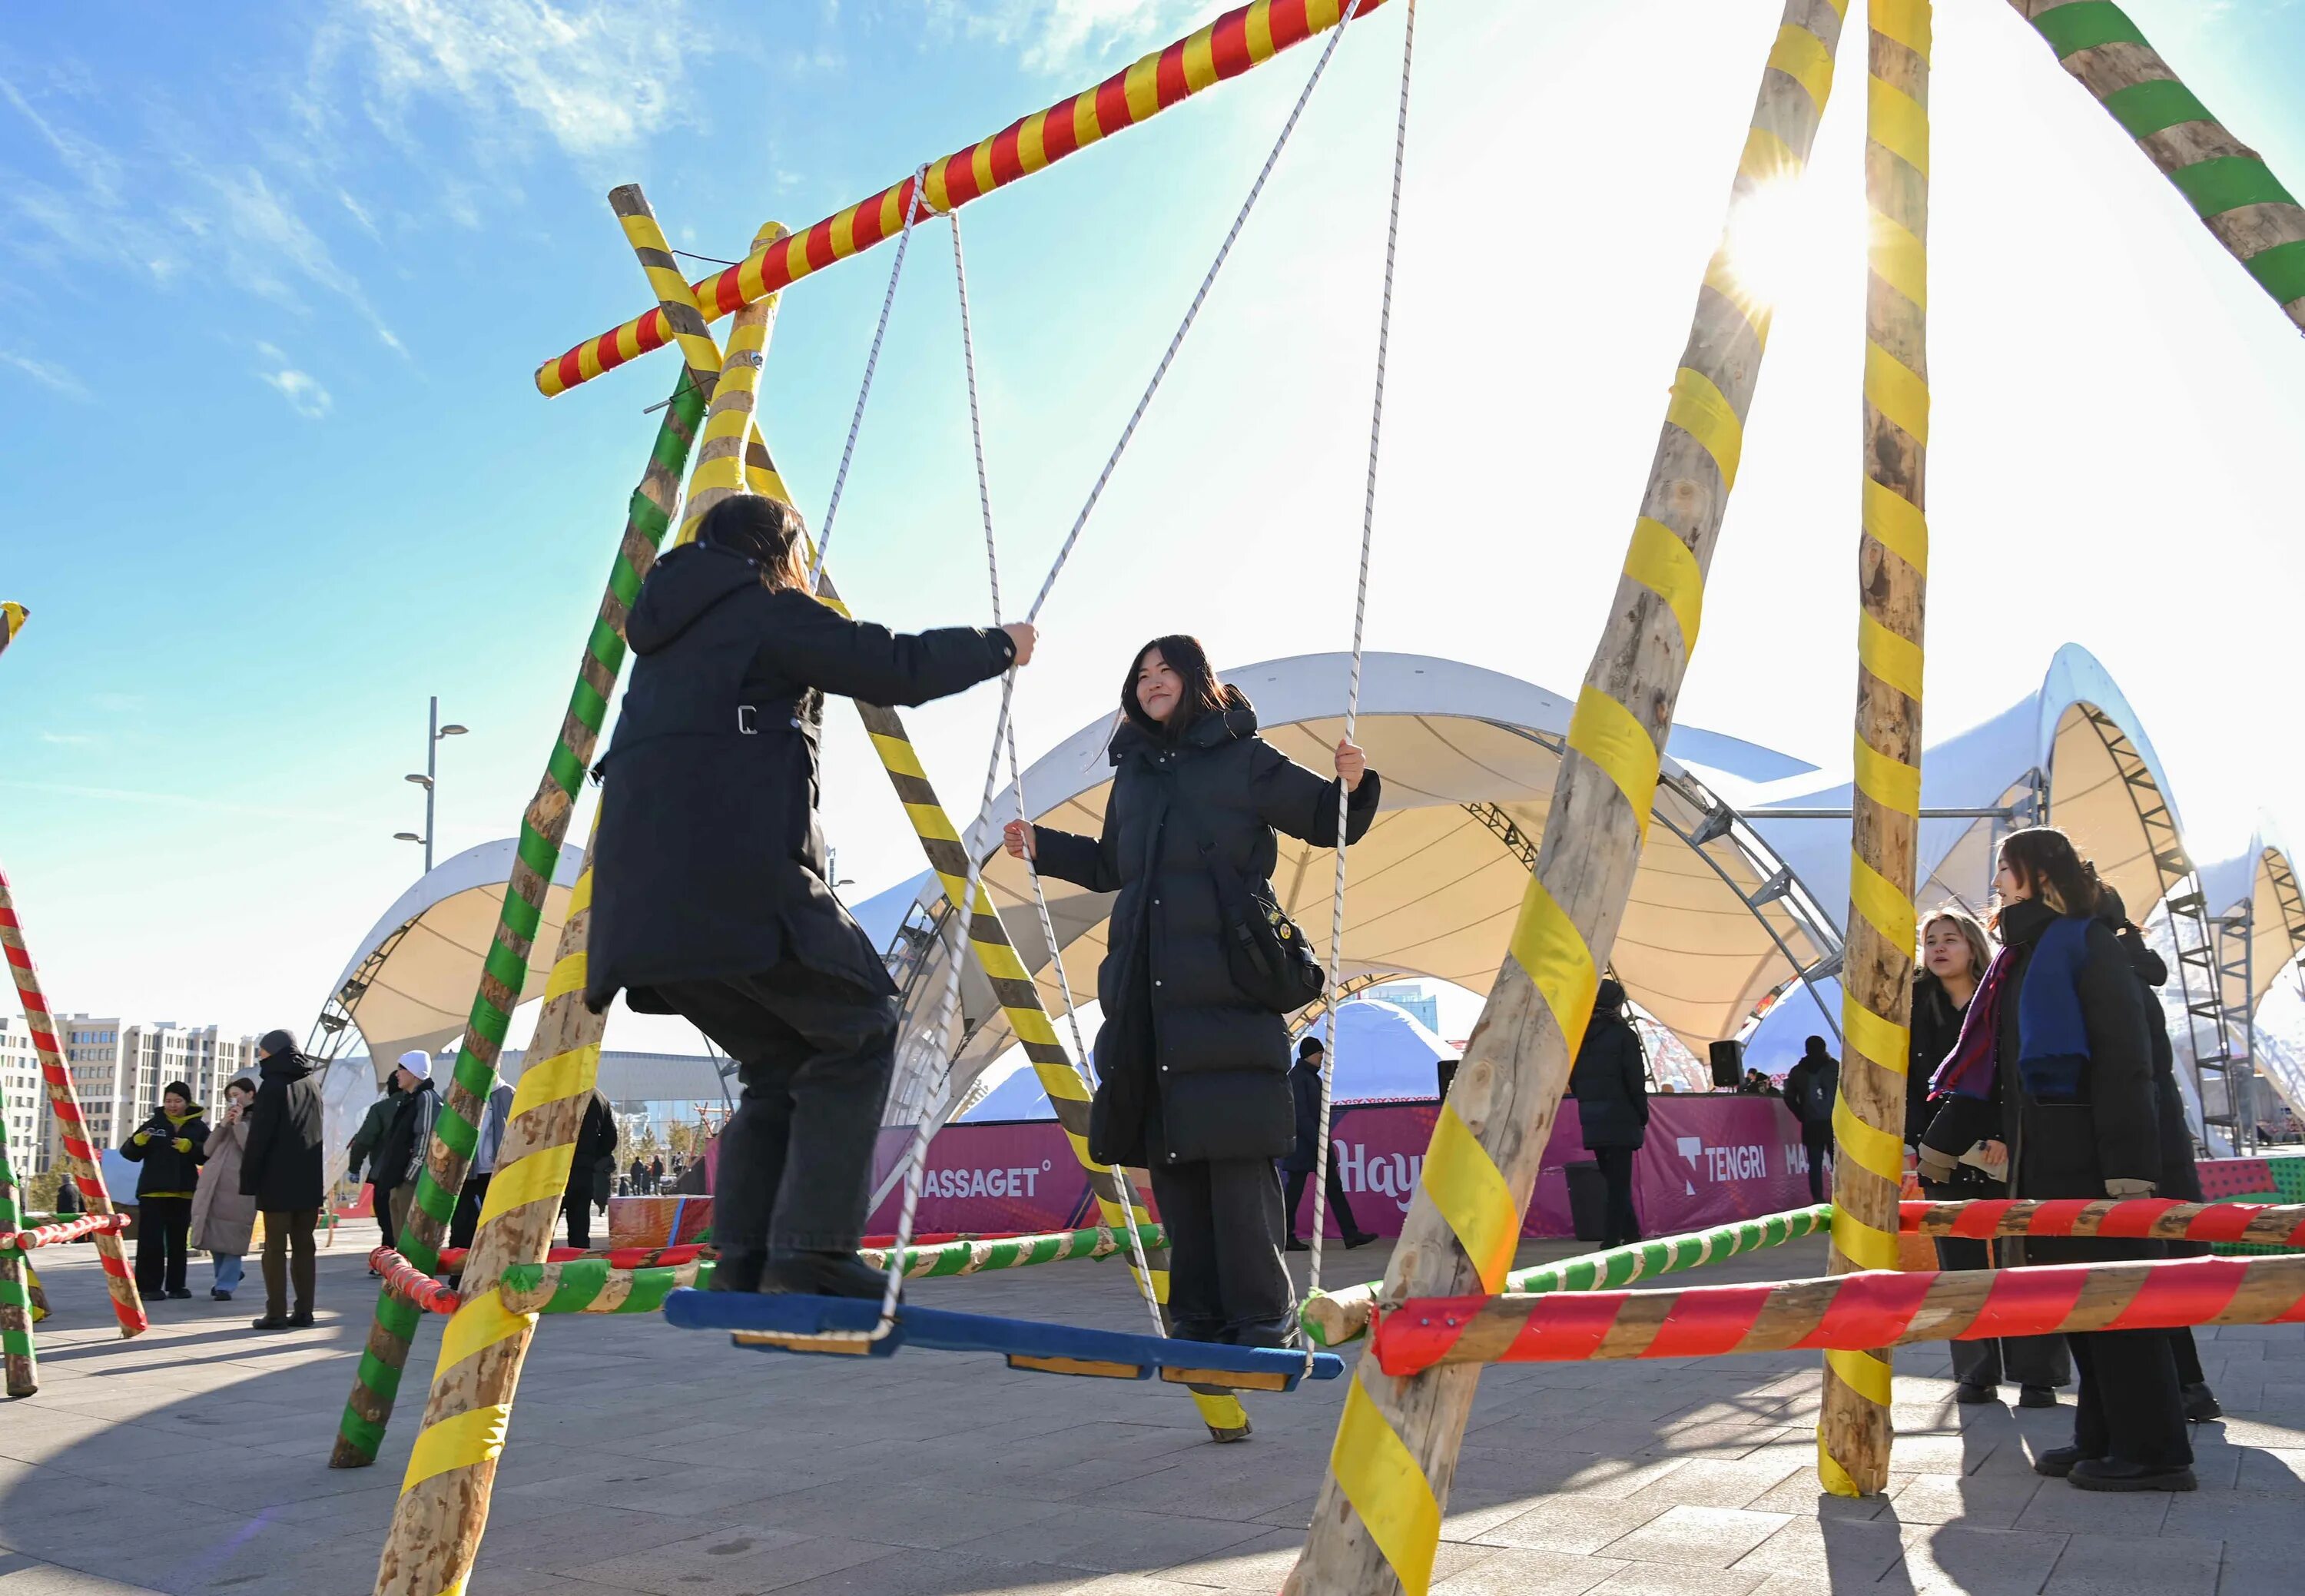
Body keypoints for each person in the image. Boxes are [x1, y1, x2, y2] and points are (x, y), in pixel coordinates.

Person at [584, 493, 1033, 1298]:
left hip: (639, 905)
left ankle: (743, 1261)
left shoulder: (661, 640)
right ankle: (813, 1252)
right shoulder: (763, 608)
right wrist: (1000, 645)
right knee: (861, 1024)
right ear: (777, 549)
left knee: (779, 1059)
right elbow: (892, 663)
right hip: (738, 877)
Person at [1007, 634, 1379, 1348]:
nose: (1150, 682)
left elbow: (1327, 819)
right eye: (1140, 674)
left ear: (1195, 679)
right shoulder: (1136, 776)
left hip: (1229, 984)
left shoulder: (1243, 755)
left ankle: (1263, 1317)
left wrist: (1355, 786)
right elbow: (1114, 862)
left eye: (1164, 670)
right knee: (1174, 1160)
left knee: (1236, 1159)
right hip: (1150, 990)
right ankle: (1201, 1320)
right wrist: (1044, 845)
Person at [1918, 828, 2191, 1491]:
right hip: (2047, 1163)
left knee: (2119, 1305)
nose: (1995, 880)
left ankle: (2155, 1450)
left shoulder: (2086, 944)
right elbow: (2001, 1072)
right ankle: (2100, 1434)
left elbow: (2129, 1066)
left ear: (2039, 875)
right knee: (2081, 1305)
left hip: (2099, 1165)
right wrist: (1939, 1145)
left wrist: (2131, 1173)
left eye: (2005, 868)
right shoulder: (2021, 957)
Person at [1909, 906, 2070, 1409]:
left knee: (2020, 1258)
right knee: (1958, 1264)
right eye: (1931, 939)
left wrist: (2004, 1133)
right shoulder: (1915, 1005)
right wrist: (1918, 1142)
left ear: (1973, 945)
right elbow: (1910, 1085)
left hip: (2004, 1150)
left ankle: (2036, 1374)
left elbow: (2014, 1072)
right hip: (1941, 1154)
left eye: (1950, 938)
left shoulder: (2002, 997)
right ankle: (1976, 1372)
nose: (1938, 947)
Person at [2098, 888, 2223, 1424]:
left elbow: (2130, 1074)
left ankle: (2182, 1389)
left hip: (2140, 1151)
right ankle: (2188, 1385)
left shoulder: (2112, 975)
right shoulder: (2127, 967)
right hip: (2155, 1145)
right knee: (2158, 1268)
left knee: (2148, 1271)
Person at [241, 1029, 326, 1330]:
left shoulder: (273, 1086)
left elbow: (259, 1137)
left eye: (263, 1052)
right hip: (308, 1179)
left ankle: (276, 1313)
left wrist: (249, 1178)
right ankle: (305, 1311)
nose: (261, 1057)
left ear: (274, 1052)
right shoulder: (311, 1083)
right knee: (305, 1246)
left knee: (275, 1249)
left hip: (277, 1180)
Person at [1569, 978, 1650, 1249]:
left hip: (1592, 1117)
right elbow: (1635, 1079)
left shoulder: (1580, 1037)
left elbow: (1575, 1079)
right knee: (1619, 1182)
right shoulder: (1624, 1035)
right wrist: (1641, 1112)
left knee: (1613, 1178)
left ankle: (1632, 1233)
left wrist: (1589, 1101)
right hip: (1620, 1116)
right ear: (1617, 1003)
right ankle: (1612, 1239)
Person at [1279, 1036, 1376, 1252]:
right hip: (1306, 1146)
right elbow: (1302, 1115)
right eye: (1319, 1055)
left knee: (1333, 1188)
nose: (1322, 1059)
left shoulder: (1312, 1078)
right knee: (1295, 1192)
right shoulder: (1297, 1078)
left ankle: (1350, 1234)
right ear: (1309, 1055)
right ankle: (1286, 1236)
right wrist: (1320, 1140)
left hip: (1314, 1144)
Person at [121, 1082, 208, 1299]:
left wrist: (191, 1148)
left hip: (183, 1192)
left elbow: (208, 1154)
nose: (172, 1105)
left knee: (178, 1242)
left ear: (187, 1103)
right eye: (168, 1101)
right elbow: (129, 1153)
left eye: (177, 1101)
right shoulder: (153, 1124)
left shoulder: (198, 1128)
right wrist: (137, 1142)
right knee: (151, 1242)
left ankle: (177, 1286)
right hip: (153, 1193)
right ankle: (149, 1287)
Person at [191, 1077, 260, 1301]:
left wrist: (240, 1124)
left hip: (239, 1185)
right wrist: (222, 1126)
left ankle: (225, 1285)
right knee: (213, 1234)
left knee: (232, 1235)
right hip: (214, 1184)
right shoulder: (227, 1121)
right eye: (230, 1096)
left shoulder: (260, 1117)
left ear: (251, 1094)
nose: (234, 1100)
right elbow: (208, 1150)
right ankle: (226, 1275)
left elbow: (252, 1150)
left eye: (237, 1094)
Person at [373, 1051, 441, 1242]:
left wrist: (410, 1177)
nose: (397, 1074)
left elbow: (426, 1138)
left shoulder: (427, 1098)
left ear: (414, 1073)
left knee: (411, 1240)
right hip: (399, 1181)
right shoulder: (409, 1099)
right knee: (399, 1239)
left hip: (409, 1183)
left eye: (402, 1069)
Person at [449, 1081, 515, 1253]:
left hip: (496, 1172)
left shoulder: (507, 1093)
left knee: (497, 1223)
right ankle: (459, 1272)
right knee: (463, 1223)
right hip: (466, 1172)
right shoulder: (458, 1091)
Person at [346, 1074, 405, 1256]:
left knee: (387, 1219)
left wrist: (354, 1168)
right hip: (417, 1174)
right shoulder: (426, 1103)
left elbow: (363, 1141)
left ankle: (388, 1257)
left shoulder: (381, 1109)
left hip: (385, 1174)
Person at [1782, 1036, 1839, 1203]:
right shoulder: (1835, 1067)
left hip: (1811, 1124)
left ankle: (1818, 1200)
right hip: (1834, 1122)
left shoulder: (1797, 1071)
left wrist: (1802, 1115)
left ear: (1806, 1050)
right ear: (1825, 1047)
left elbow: (1789, 1097)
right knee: (1838, 1162)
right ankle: (1841, 1197)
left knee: (1815, 1164)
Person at [564, 1089, 619, 1249]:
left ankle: (547, 1269)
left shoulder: (554, 1090)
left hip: (554, 1168)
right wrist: (593, 1156)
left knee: (546, 1231)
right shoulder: (599, 1096)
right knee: (579, 1230)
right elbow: (610, 1138)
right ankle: (580, 1270)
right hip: (584, 1170)